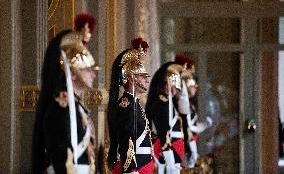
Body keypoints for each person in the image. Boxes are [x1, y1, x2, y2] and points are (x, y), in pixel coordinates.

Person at [32, 13, 98, 174]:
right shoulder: (60, 108)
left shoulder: (78, 107)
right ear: (72, 72)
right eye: (87, 68)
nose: (93, 74)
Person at [107, 38, 154, 174]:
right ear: (132, 78)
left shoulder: (135, 104)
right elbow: (127, 143)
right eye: (142, 76)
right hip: (135, 169)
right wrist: (131, 171)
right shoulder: (126, 106)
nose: (146, 79)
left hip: (143, 166)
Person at [145, 62, 185, 174]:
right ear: (167, 84)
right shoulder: (162, 103)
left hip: (174, 148)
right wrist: (168, 155)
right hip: (166, 149)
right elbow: (163, 132)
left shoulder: (168, 103)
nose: (176, 91)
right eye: (174, 87)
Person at [175, 53, 212, 168]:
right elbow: (188, 127)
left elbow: (192, 125)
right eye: (192, 82)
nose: (195, 86)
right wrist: (193, 151)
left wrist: (204, 125)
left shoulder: (188, 103)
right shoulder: (182, 98)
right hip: (177, 143)